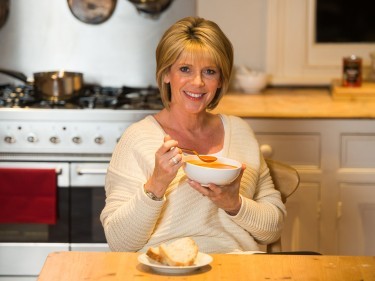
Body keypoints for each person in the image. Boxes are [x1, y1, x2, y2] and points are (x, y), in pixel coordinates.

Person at [100, 16, 286, 254]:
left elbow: (273, 229)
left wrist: (234, 204)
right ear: (166, 74)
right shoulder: (137, 139)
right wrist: (156, 184)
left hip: (239, 267)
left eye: (209, 71)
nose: (197, 83)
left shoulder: (240, 132)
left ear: (220, 80)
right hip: (165, 268)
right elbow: (119, 243)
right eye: (185, 69)